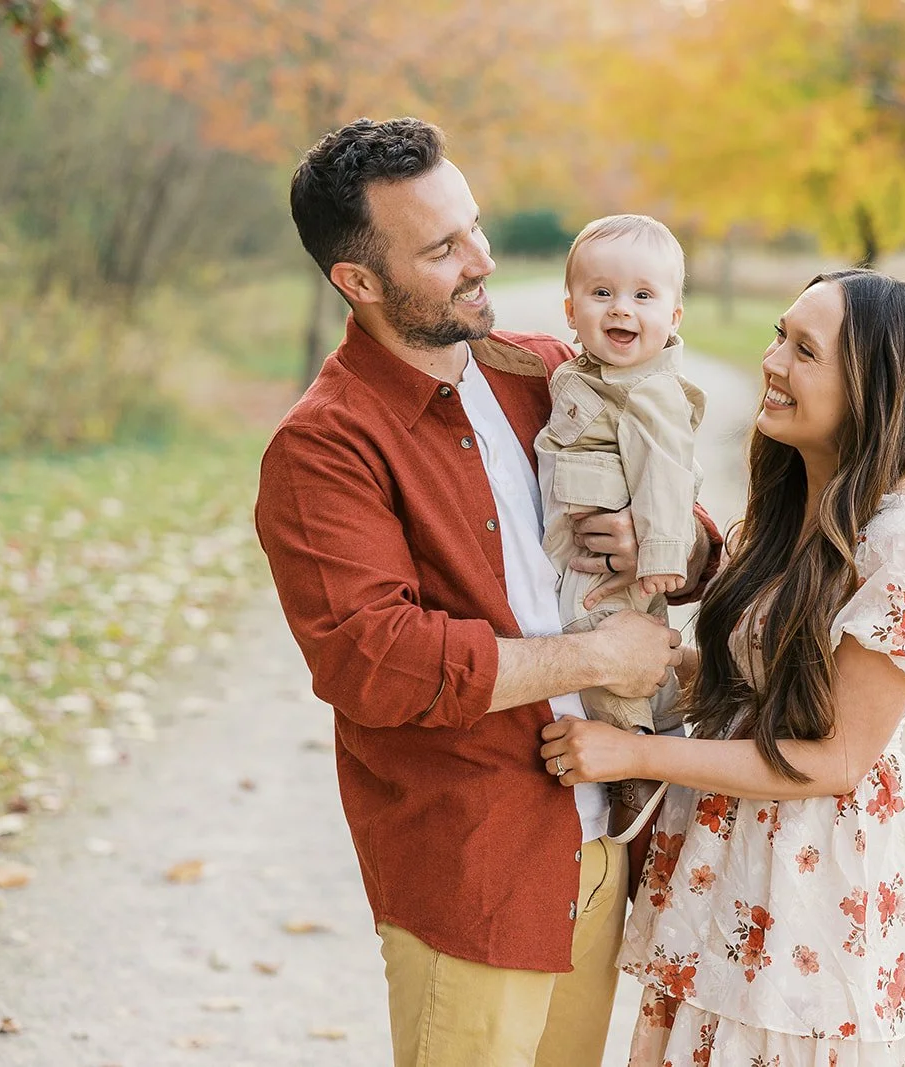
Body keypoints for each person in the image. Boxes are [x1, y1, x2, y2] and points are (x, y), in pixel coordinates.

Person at [253, 116, 722, 1067]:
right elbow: (376, 662)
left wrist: (671, 544)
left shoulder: (547, 374)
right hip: (475, 864)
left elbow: (702, 541)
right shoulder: (324, 447)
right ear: (359, 282)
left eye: (474, 225)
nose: (482, 258)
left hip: (598, 846)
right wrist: (596, 654)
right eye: (442, 248)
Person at [541, 269, 905, 1065]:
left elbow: (835, 756)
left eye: (804, 350)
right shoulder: (785, 507)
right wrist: (647, 663)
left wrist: (636, 753)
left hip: (817, 863)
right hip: (729, 847)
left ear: (871, 388)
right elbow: (761, 683)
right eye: (779, 334)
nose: (772, 362)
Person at [536, 213, 706, 844]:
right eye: (601, 293)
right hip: (585, 545)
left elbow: (666, 470)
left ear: (674, 317)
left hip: (623, 563)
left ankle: (633, 768)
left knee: (605, 650)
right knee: (628, 645)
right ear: (571, 308)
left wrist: (663, 554)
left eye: (643, 295)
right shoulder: (584, 374)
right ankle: (663, 727)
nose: (621, 309)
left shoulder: (650, 390)